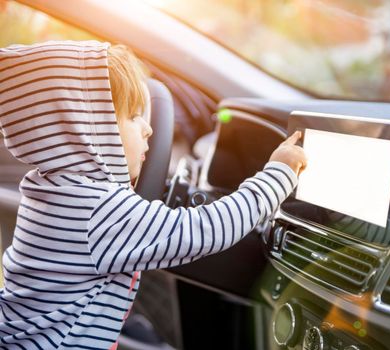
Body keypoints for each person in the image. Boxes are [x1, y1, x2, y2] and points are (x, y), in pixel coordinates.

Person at [0, 40, 306, 349]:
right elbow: (204, 230)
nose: (148, 129)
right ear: (88, 130)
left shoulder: (49, 188)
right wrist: (278, 175)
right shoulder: (99, 210)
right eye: (133, 116)